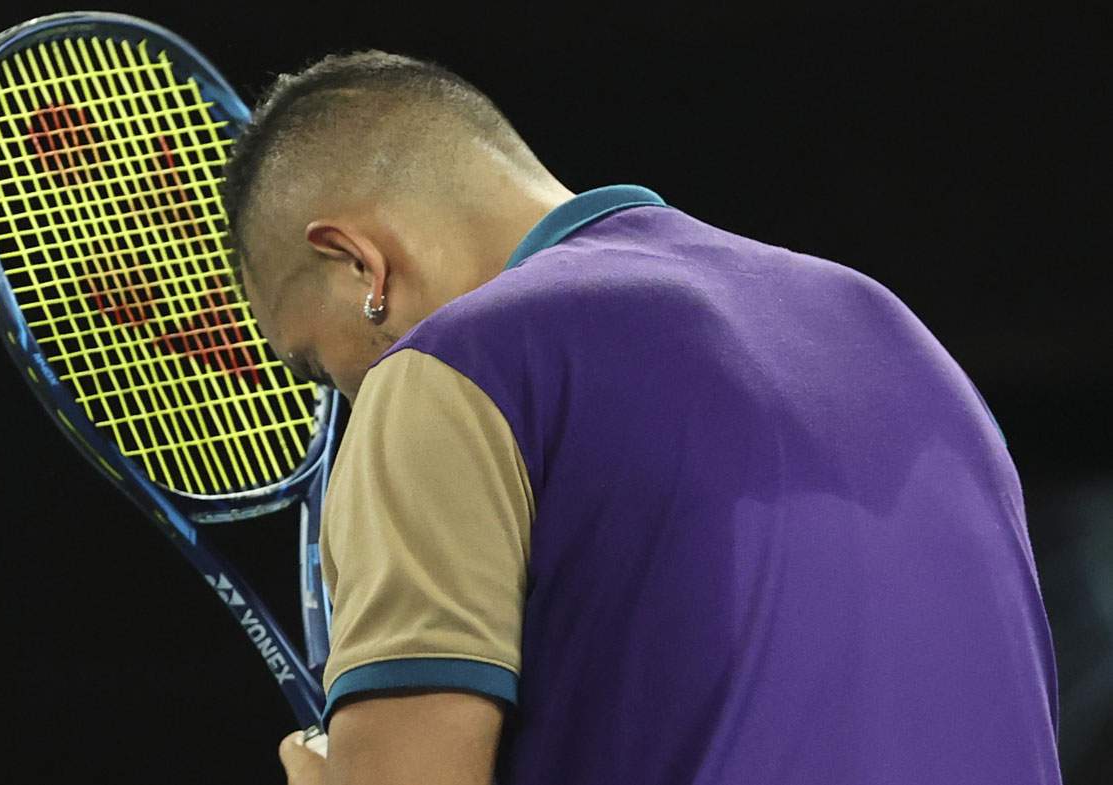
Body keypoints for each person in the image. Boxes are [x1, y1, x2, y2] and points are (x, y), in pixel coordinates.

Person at [220, 51, 1061, 785]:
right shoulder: (898, 333)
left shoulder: (447, 369)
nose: (345, 399)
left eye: (313, 363)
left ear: (358, 262)